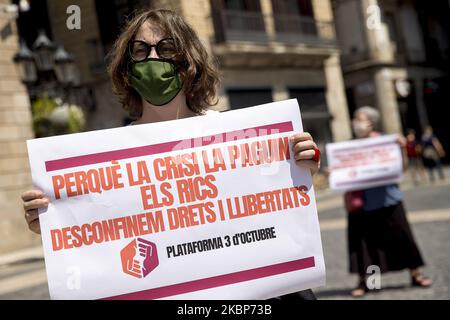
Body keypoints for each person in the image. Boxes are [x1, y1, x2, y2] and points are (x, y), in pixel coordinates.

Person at [20, 9, 321, 300]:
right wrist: (52, 220)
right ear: (126, 68)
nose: (153, 58)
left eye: (166, 48)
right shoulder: (108, 157)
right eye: (140, 50)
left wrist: (299, 165)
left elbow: (275, 203)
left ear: (189, 61)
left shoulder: (237, 136)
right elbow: (98, 238)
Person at [347, 106, 432, 298]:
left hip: (388, 199)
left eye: (359, 118)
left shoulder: (386, 141)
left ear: (371, 122)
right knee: (366, 246)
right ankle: (369, 282)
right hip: (362, 203)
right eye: (355, 118)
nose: (356, 122)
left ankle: (415, 274)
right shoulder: (349, 147)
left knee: (402, 238)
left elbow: (401, 168)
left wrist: (401, 149)